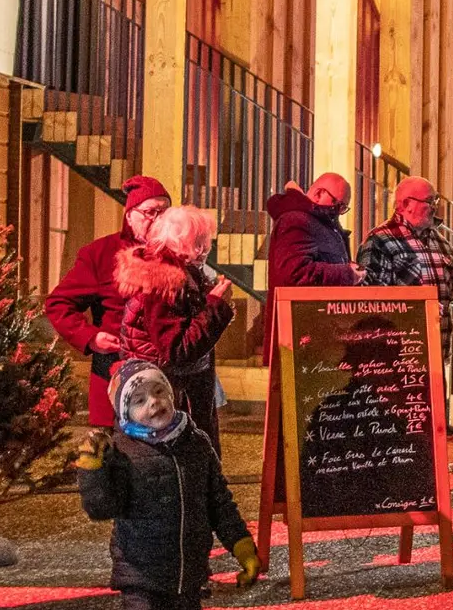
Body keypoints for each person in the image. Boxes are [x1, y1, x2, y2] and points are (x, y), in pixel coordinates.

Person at [76, 358, 259, 610]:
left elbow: (218, 502)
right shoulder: (121, 452)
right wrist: (92, 471)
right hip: (141, 573)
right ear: (124, 412)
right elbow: (103, 508)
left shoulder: (195, 443)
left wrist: (242, 547)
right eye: (138, 400)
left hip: (188, 573)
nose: (153, 404)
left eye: (158, 392)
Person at [45, 175, 171, 428]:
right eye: (149, 212)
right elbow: (59, 303)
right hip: (116, 367)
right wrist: (91, 337)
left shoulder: (177, 254)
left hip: (166, 372)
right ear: (129, 215)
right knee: (113, 452)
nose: (157, 219)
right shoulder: (100, 254)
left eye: (164, 211)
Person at [115, 205, 236, 449]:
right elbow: (177, 350)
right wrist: (216, 307)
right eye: (203, 240)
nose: (207, 247)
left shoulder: (178, 273)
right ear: (188, 242)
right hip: (169, 399)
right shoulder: (164, 282)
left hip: (174, 393)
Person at [357, 175, 453, 314]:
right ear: (406, 204)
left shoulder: (443, 244)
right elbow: (372, 299)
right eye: (429, 201)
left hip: (441, 335)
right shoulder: (379, 240)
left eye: (436, 200)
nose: (434, 207)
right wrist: (419, 306)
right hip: (402, 334)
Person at [265, 174, 357, 291]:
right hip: (302, 308)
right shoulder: (296, 220)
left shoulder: (319, 224)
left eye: (343, 208)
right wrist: (348, 274)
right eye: (338, 205)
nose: (338, 212)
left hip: (316, 307)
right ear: (319, 194)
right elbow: (295, 273)